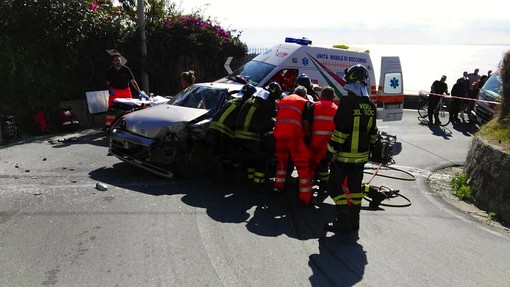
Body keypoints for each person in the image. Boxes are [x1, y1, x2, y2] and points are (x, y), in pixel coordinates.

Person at [324, 64, 378, 233]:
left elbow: (340, 131)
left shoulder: (347, 103)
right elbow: (373, 134)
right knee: (355, 189)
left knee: (333, 187)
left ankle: (343, 220)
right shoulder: (371, 106)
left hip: (343, 157)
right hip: (361, 158)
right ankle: (355, 223)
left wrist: (329, 152)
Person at [234, 82, 282, 191]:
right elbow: (266, 124)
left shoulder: (254, 98)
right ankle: (258, 183)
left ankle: (249, 179)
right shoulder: (267, 103)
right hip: (250, 135)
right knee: (261, 157)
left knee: (250, 156)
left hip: (238, 135)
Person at [272, 85, 314, 205]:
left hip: (279, 135)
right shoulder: (305, 102)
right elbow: (305, 122)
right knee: (302, 165)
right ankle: (305, 198)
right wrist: (309, 137)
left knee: (281, 162)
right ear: (304, 94)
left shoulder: (283, 100)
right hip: (294, 137)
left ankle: (277, 187)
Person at [208, 84, 257, 177]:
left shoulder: (233, 100)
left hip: (212, 127)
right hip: (225, 130)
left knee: (218, 152)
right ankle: (232, 174)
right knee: (232, 153)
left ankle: (219, 172)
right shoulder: (246, 104)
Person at [308, 86, 338, 193]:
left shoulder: (314, 106)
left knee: (311, 166)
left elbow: (307, 123)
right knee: (324, 166)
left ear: (322, 96)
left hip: (314, 142)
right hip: (328, 145)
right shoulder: (336, 109)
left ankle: (307, 188)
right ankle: (324, 185)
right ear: (333, 97)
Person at [104, 53, 142, 130]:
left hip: (126, 91)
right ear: (113, 62)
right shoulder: (110, 71)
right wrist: (110, 89)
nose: (118, 62)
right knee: (112, 108)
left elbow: (132, 81)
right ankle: (108, 126)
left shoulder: (126, 69)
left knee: (129, 108)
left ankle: (129, 125)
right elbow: (106, 82)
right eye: (116, 60)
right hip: (115, 91)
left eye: (119, 60)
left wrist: (139, 91)